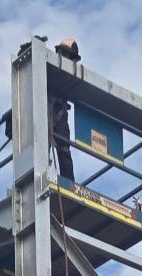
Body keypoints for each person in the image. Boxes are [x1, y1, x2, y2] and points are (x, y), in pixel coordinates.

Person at [51, 38, 82, 183]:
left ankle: (69, 184)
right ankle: (43, 177)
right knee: (41, 148)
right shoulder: (49, 66)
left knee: (63, 149)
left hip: (59, 114)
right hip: (43, 111)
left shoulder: (69, 73)